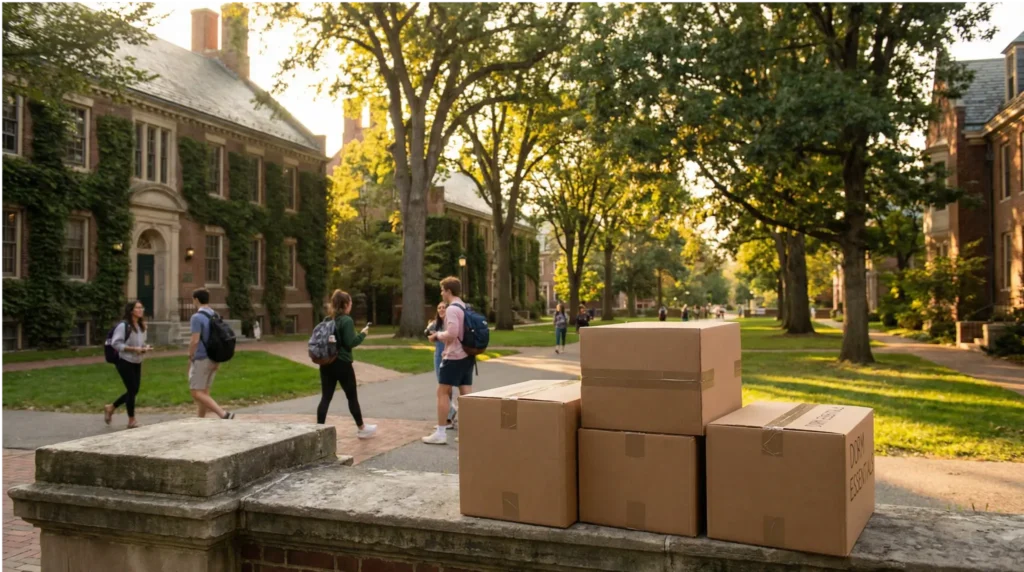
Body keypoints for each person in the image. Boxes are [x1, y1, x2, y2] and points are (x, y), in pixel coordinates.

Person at [317, 290, 377, 438]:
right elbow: (351, 343)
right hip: (342, 363)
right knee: (351, 397)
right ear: (345, 304)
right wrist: (363, 334)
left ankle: (317, 430)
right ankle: (362, 428)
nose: (351, 305)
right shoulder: (346, 320)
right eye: (350, 302)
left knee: (326, 397)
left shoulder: (326, 319)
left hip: (326, 363)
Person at [423, 276, 473, 445]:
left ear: (449, 291)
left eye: (443, 290)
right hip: (467, 356)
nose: (441, 293)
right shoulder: (463, 306)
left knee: (442, 392)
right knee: (466, 393)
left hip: (454, 356)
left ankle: (441, 432)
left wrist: (437, 335)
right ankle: (471, 430)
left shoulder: (452, 309)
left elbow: (452, 333)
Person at [188, 288, 235, 420]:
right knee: (204, 391)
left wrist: (190, 355)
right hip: (214, 356)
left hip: (202, 357)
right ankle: (200, 419)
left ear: (196, 300)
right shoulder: (215, 314)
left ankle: (223, 414)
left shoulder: (196, 317)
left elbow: (195, 340)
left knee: (196, 392)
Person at [104, 300, 151, 429]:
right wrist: (133, 349)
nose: (141, 310)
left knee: (134, 390)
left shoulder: (142, 326)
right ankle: (131, 420)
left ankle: (111, 407)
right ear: (131, 311)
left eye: (142, 307)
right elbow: (116, 343)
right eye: (138, 308)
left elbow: (141, 343)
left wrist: (144, 347)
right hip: (124, 361)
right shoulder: (124, 326)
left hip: (137, 360)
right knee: (132, 390)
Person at [426, 301, 457, 429]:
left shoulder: (450, 323)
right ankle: (449, 415)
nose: (441, 309)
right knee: (442, 385)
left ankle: (449, 416)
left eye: (444, 307)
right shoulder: (436, 323)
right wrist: (429, 329)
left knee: (445, 387)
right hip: (438, 356)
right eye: (439, 308)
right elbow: (427, 333)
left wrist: (436, 336)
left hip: (448, 356)